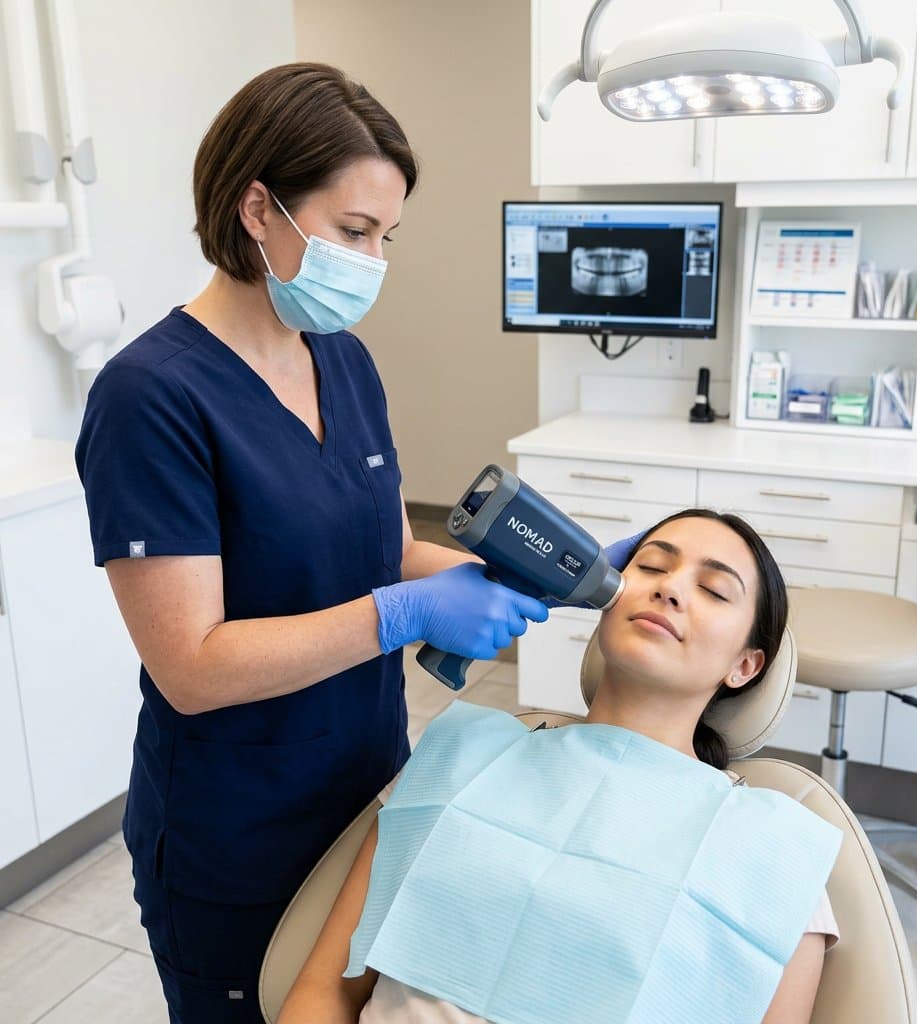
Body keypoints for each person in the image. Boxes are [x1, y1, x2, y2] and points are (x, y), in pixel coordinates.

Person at [74, 63, 564, 1023]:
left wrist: (537, 569)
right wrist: (409, 612)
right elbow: (193, 666)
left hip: (365, 788)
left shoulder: (339, 358)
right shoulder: (153, 398)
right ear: (259, 207)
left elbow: (373, 549)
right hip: (236, 830)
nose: (374, 260)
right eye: (352, 232)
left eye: (386, 237)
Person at [277, 509, 842, 1024]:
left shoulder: (773, 850)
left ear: (745, 666)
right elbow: (326, 991)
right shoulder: (463, 756)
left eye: (715, 590)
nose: (669, 588)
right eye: (649, 566)